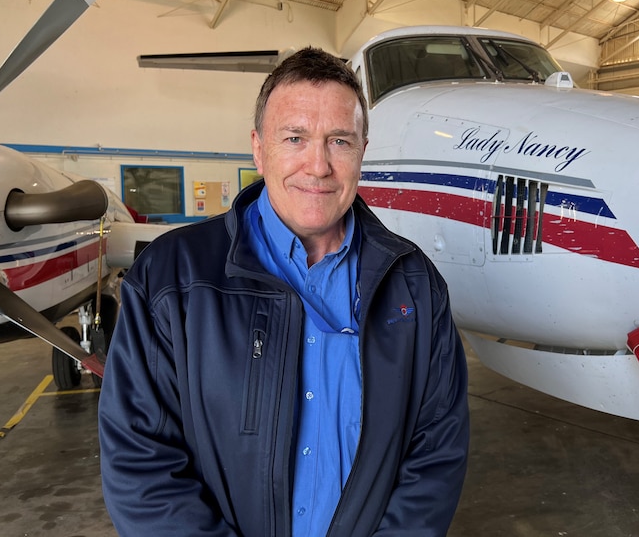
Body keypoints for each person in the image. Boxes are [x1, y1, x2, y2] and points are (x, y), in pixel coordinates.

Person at [98, 46, 469, 536]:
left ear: (362, 149)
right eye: (294, 138)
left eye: (339, 140)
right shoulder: (172, 277)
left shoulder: (416, 284)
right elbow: (140, 460)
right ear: (258, 147)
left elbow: (435, 453)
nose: (318, 166)